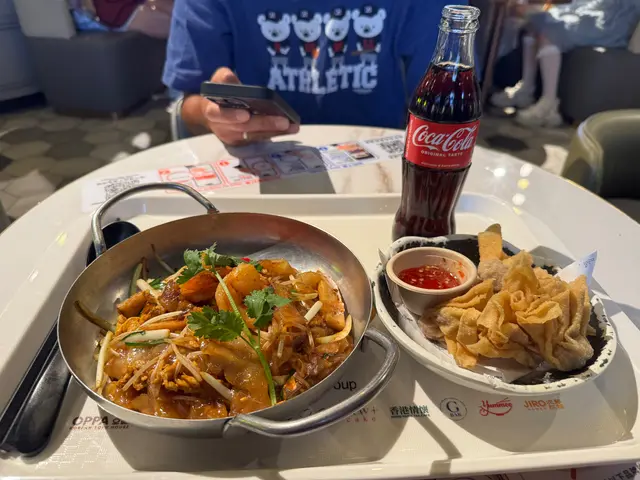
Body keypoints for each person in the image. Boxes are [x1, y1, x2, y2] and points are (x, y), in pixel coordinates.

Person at [163, 0, 453, 145]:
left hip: (381, 166)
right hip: (254, 163)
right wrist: (212, 115)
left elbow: (446, 110)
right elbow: (188, 104)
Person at [491, 0, 640, 127]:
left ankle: (549, 105)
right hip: (593, 9)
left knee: (550, 29)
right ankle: (526, 90)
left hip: (610, 20)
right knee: (534, 24)